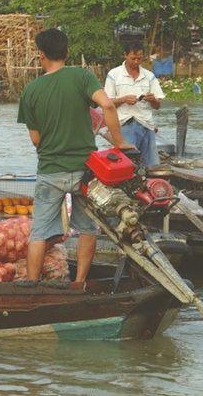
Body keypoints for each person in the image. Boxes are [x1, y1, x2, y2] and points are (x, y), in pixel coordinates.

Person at [17, 28, 134, 284]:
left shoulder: (31, 90)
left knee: (39, 233)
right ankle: (79, 283)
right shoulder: (82, 77)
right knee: (87, 228)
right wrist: (120, 142)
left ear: (41, 55)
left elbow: (35, 139)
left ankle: (32, 286)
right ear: (67, 52)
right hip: (86, 170)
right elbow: (107, 105)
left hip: (50, 171)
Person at [104, 42, 165, 167]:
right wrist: (123, 99)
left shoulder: (149, 76)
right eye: (133, 58)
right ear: (125, 55)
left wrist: (152, 99)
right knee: (128, 165)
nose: (136, 62)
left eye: (139, 58)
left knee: (151, 165)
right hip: (124, 125)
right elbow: (107, 104)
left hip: (146, 125)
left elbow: (158, 105)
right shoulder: (114, 75)